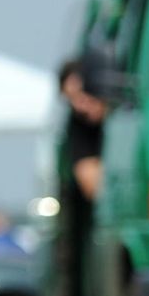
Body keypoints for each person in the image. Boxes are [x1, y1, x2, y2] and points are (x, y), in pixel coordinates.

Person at [57, 60, 106, 201]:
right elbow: (92, 186)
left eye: (84, 93)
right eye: (71, 99)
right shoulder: (79, 125)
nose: (80, 105)